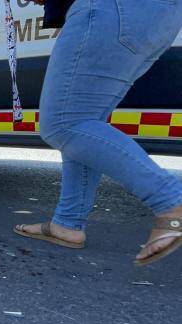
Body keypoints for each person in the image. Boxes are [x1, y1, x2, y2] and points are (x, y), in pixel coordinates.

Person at [14, 0, 182, 266]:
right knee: (84, 121)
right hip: (160, 15)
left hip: (112, 8)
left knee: (62, 124)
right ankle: (67, 223)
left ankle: (172, 199)